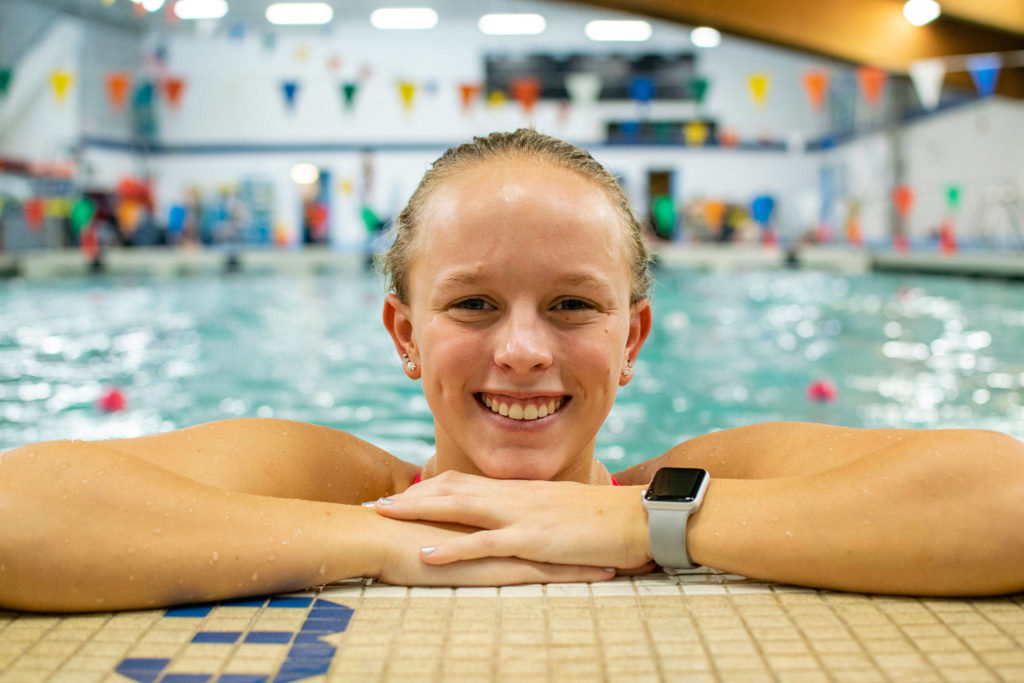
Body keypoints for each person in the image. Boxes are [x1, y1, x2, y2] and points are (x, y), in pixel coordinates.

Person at [2, 130, 1022, 614]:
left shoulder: (688, 477)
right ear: (403, 334)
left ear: (631, 337)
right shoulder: (341, 480)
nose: (524, 349)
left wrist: (642, 523)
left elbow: (1004, 494)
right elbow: (21, 509)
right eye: (473, 304)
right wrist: (386, 542)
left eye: (573, 304)